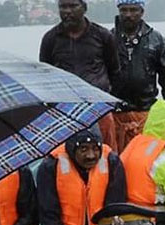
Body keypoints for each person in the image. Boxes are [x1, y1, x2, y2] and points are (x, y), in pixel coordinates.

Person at [36, 128, 127, 225]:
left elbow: (115, 209)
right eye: (83, 149)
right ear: (72, 149)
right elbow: (49, 219)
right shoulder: (51, 165)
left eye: (95, 149)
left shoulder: (112, 161)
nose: (91, 155)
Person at [40, 0, 120, 151]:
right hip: (65, 110)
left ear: (84, 8)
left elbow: (114, 71)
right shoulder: (50, 39)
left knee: (106, 154)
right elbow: (45, 76)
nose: (67, 11)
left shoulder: (103, 36)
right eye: (63, 7)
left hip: (98, 107)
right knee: (65, 155)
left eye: (72, 6)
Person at [111, 0, 165, 151]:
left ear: (142, 12)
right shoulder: (108, 39)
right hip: (115, 113)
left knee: (144, 159)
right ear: (118, 11)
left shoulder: (157, 40)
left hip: (146, 113)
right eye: (124, 10)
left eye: (133, 10)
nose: (128, 15)